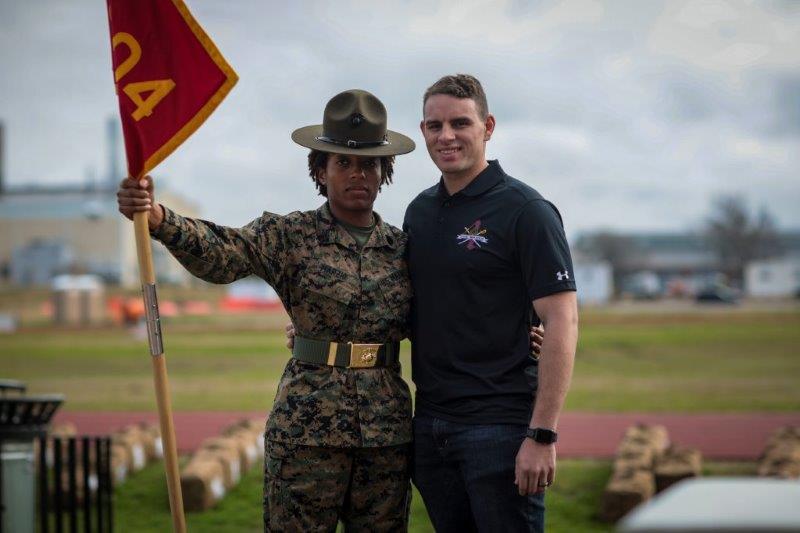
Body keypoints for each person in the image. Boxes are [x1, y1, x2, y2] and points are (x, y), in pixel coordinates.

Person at [116, 89, 418, 531]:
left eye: (370, 163)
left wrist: (520, 331)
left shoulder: (404, 249)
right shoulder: (289, 235)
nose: (358, 174)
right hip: (307, 433)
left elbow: (449, 311)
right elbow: (223, 253)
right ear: (320, 170)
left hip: (385, 436)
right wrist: (160, 218)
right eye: (344, 163)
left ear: (384, 171)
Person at [403, 74, 579, 532]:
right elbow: (408, 305)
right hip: (431, 425)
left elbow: (561, 320)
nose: (446, 136)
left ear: (488, 126)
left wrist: (542, 434)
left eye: (460, 123)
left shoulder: (526, 211)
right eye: (434, 125)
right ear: (422, 131)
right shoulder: (419, 213)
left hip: (499, 430)